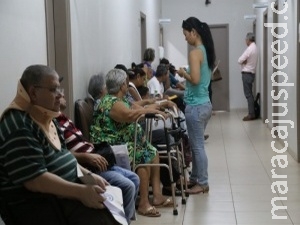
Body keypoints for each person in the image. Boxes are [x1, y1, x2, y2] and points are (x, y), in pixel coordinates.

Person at [0, 65, 119, 225]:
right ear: (33, 92)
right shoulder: (19, 124)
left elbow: (64, 154)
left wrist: (87, 176)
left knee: (111, 205)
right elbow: (35, 180)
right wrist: (82, 193)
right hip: (41, 204)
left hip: (62, 194)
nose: (60, 94)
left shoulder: (47, 117)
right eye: (53, 89)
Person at [90, 69, 174, 217]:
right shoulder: (111, 102)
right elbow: (129, 115)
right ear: (123, 85)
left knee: (152, 152)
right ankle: (143, 203)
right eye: (126, 83)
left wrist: (155, 106)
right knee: (142, 155)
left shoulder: (119, 101)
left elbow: (136, 107)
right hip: (111, 147)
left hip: (123, 142)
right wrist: (149, 112)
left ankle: (157, 195)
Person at [56, 89, 139, 224]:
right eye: (56, 90)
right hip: (88, 166)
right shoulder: (54, 123)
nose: (62, 94)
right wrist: (87, 157)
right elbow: (60, 154)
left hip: (97, 159)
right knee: (128, 185)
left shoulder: (64, 119)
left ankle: (124, 219)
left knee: (134, 178)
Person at [177, 17, 215, 194]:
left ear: (193, 32)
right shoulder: (206, 50)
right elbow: (199, 82)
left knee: (197, 146)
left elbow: (195, 79)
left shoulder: (194, 53)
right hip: (204, 103)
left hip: (196, 107)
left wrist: (183, 73)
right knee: (194, 144)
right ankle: (194, 178)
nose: (185, 38)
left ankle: (203, 182)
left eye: (186, 34)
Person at [238, 32, 258, 121]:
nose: (245, 41)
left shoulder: (250, 49)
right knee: (250, 94)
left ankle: (251, 114)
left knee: (248, 95)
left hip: (247, 74)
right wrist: (244, 61)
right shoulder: (255, 47)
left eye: (246, 40)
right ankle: (252, 112)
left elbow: (239, 60)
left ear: (249, 39)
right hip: (252, 73)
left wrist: (244, 61)